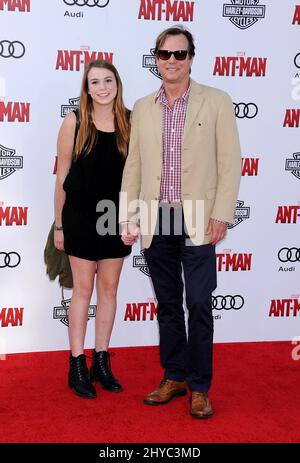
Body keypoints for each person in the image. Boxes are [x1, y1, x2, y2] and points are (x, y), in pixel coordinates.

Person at [120, 26, 241, 418]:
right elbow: (134, 165)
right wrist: (129, 216)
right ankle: (174, 376)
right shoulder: (142, 107)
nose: (172, 61)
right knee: (169, 303)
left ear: (191, 57)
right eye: (165, 54)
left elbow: (230, 162)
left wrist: (223, 212)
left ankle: (200, 387)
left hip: (199, 217)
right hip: (157, 217)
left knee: (200, 302)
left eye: (180, 54)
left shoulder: (217, 101)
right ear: (156, 58)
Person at [54, 60, 131, 399]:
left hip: (116, 217)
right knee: (83, 291)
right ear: (86, 89)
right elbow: (61, 178)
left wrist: (134, 217)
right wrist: (59, 224)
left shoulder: (131, 121)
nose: (102, 87)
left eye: (108, 80)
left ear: (117, 83)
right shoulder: (74, 121)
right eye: (95, 82)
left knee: (110, 291)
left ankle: (102, 360)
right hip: (81, 216)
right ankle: (76, 364)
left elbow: (139, 177)